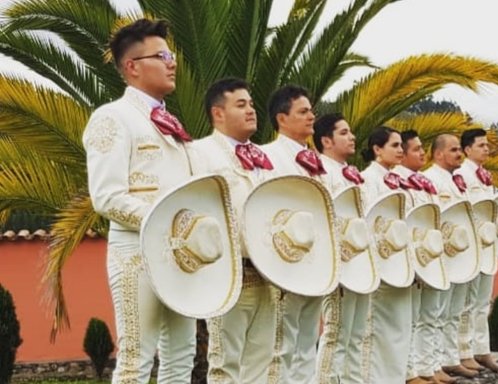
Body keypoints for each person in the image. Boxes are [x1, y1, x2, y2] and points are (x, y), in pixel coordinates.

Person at [82, 19, 196, 383]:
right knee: (136, 356)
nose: (172, 62)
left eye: (171, 54)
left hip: (180, 257)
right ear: (132, 67)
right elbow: (107, 197)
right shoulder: (112, 117)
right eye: (161, 55)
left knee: (182, 356)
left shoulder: (172, 124)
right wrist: (170, 223)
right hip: (136, 254)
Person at [191, 78, 276, 383]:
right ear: (218, 113)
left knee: (264, 359)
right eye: (241, 105)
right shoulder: (198, 153)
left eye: (251, 104)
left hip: (267, 275)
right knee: (225, 363)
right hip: (227, 274)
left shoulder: (266, 161)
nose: (251, 110)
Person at [261, 85, 328, 384]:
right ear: (282, 119)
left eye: (311, 110)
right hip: (284, 262)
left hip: (315, 259)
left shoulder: (315, 161)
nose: (311, 116)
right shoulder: (268, 157)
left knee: (307, 339)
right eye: (303, 111)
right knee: (281, 343)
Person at [313, 113, 368, 384]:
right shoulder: (321, 173)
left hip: (360, 261)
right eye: (344, 132)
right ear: (326, 140)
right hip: (338, 263)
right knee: (335, 330)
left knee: (356, 332)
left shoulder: (353, 175)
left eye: (351, 131)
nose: (352, 137)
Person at [360, 127, 413, 383]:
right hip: (381, 264)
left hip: (401, 264)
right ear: (377, 149)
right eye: (394, 145)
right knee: (377, 329)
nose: (400, 150)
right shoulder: (366, 180)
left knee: (399, 327)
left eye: (402, 145)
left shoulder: (399, 181)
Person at [424, 134, 477, 382]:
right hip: (441, 255)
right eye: (454, 150)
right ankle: (434, 364)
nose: (459, 154)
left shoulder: (457, 182)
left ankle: (450, 358)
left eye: (459, 150)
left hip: (459, 255)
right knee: (437, 312)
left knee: (455, 311)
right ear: (438, 154)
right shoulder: (430, 180)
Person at [393, 130, 444, 384]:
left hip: (428, 255)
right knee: (409, 319)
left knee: (430, 314)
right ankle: (409, 371)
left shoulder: (420, 182)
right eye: (416, 149)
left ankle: (428, 366)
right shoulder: (398, 182)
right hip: (409, 257)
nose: (422, 153)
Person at [454, 129, 498, 372]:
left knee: (483, 301)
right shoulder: (461, 175)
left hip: (487, 246)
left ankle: (482, 350)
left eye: (487, 145)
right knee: (468, 301)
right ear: (467, 149)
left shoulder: (485, 176)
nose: (486, 149)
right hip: (470, 247)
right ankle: (464, 351)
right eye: (481, 145)